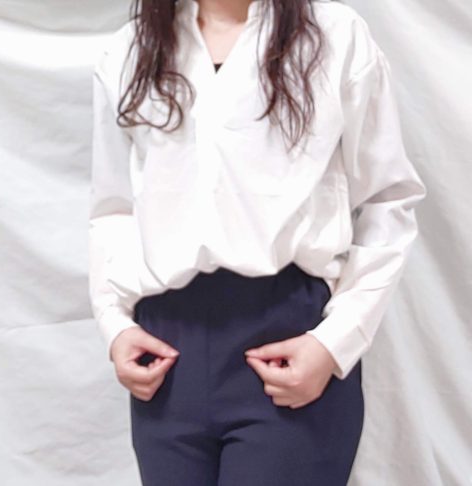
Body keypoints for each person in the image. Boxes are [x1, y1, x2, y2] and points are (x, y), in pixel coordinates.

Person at [88, 0, 427, 484]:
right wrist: (115, 324)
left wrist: (334, 342)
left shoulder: (333, 36)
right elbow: (114, 209)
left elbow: (386, 200)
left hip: (289, 337)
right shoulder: (130, 51)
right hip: (166, 357)